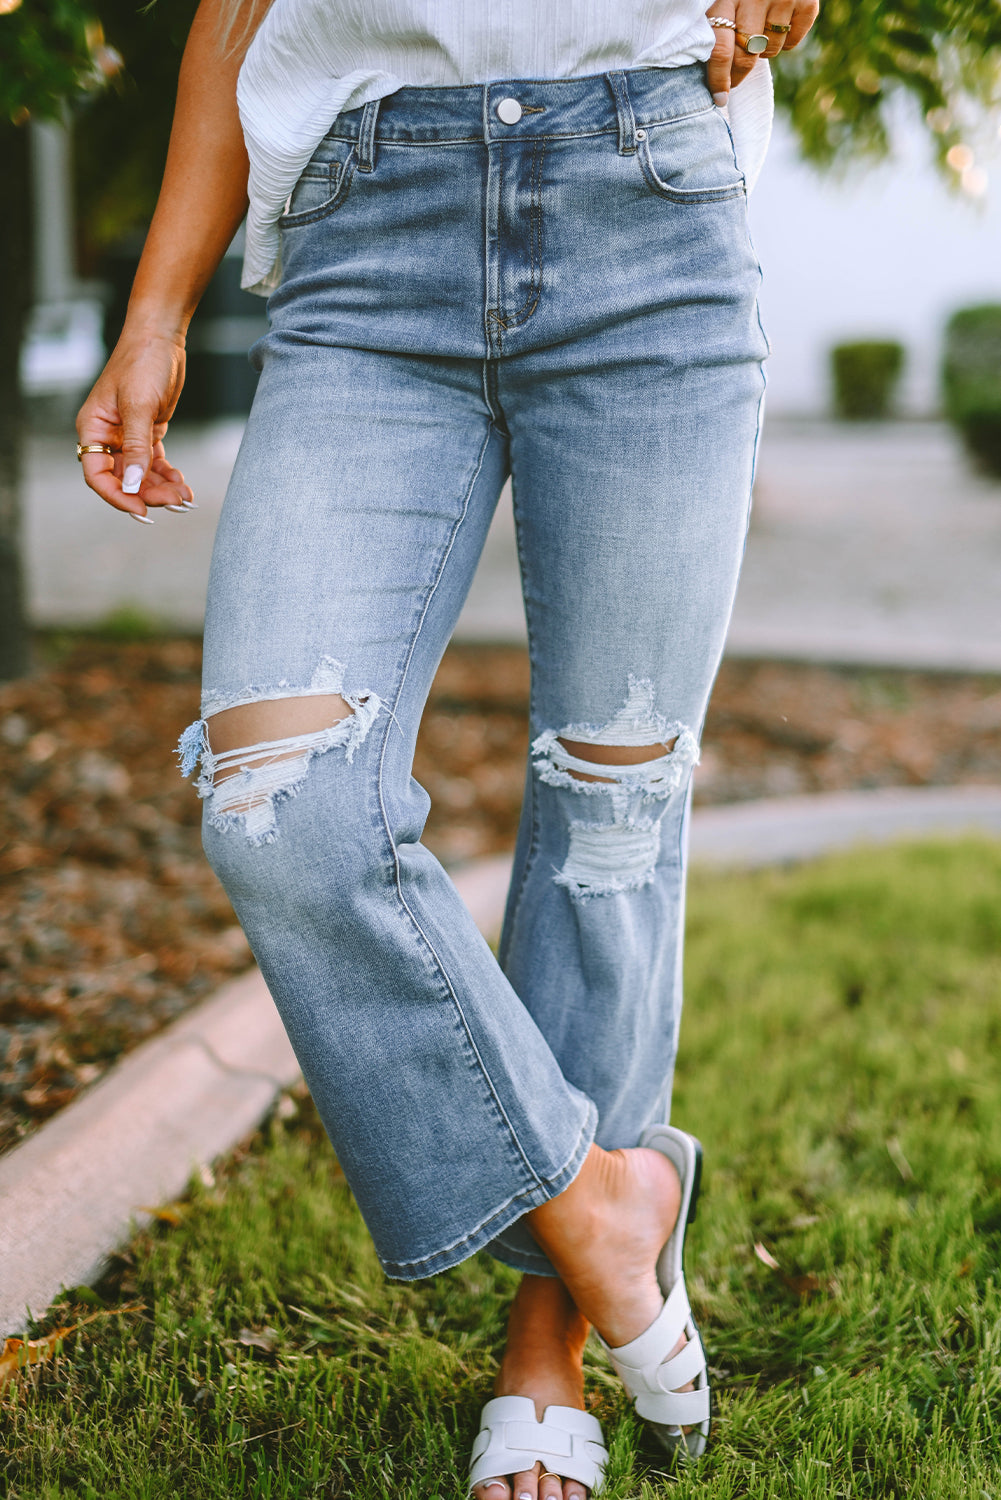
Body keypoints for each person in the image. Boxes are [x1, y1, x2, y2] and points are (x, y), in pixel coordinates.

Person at [76, 1, 819, 1493]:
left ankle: (550, 1354)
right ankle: (608, 1205)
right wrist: (155, 316)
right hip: (365, 241)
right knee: (275, 801)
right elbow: (233, 11)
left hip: (647, 202)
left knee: (608, 817)